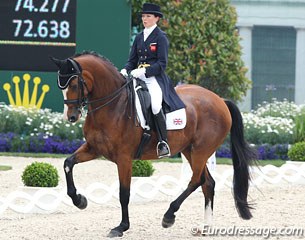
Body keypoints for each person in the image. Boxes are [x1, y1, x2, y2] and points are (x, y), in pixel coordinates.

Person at [120, 3, 185, 158]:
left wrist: (144, 71)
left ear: (156, 18)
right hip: (137, 77)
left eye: (148, 16)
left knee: (155, 105)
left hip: (155, 79)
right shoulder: (138, 37)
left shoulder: (160, 37)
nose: (145, 19)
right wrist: (125, 69)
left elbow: (162, 64)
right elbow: (132, 60)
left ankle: (163, 142)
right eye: (143, 16)